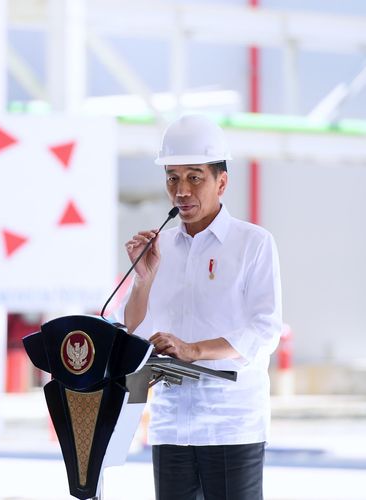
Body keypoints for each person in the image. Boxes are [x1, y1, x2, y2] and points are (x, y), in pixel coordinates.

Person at [121, 114, 282, 499]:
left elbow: (264, 331)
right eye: (173, 178)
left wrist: (195, 351)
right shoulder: (159, 250)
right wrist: (142, 279)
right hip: (171, 424)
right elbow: (134, 334)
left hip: (231, 423)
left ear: (221, 182)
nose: (182, 190)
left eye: (195, 177)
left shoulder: (253, 244)